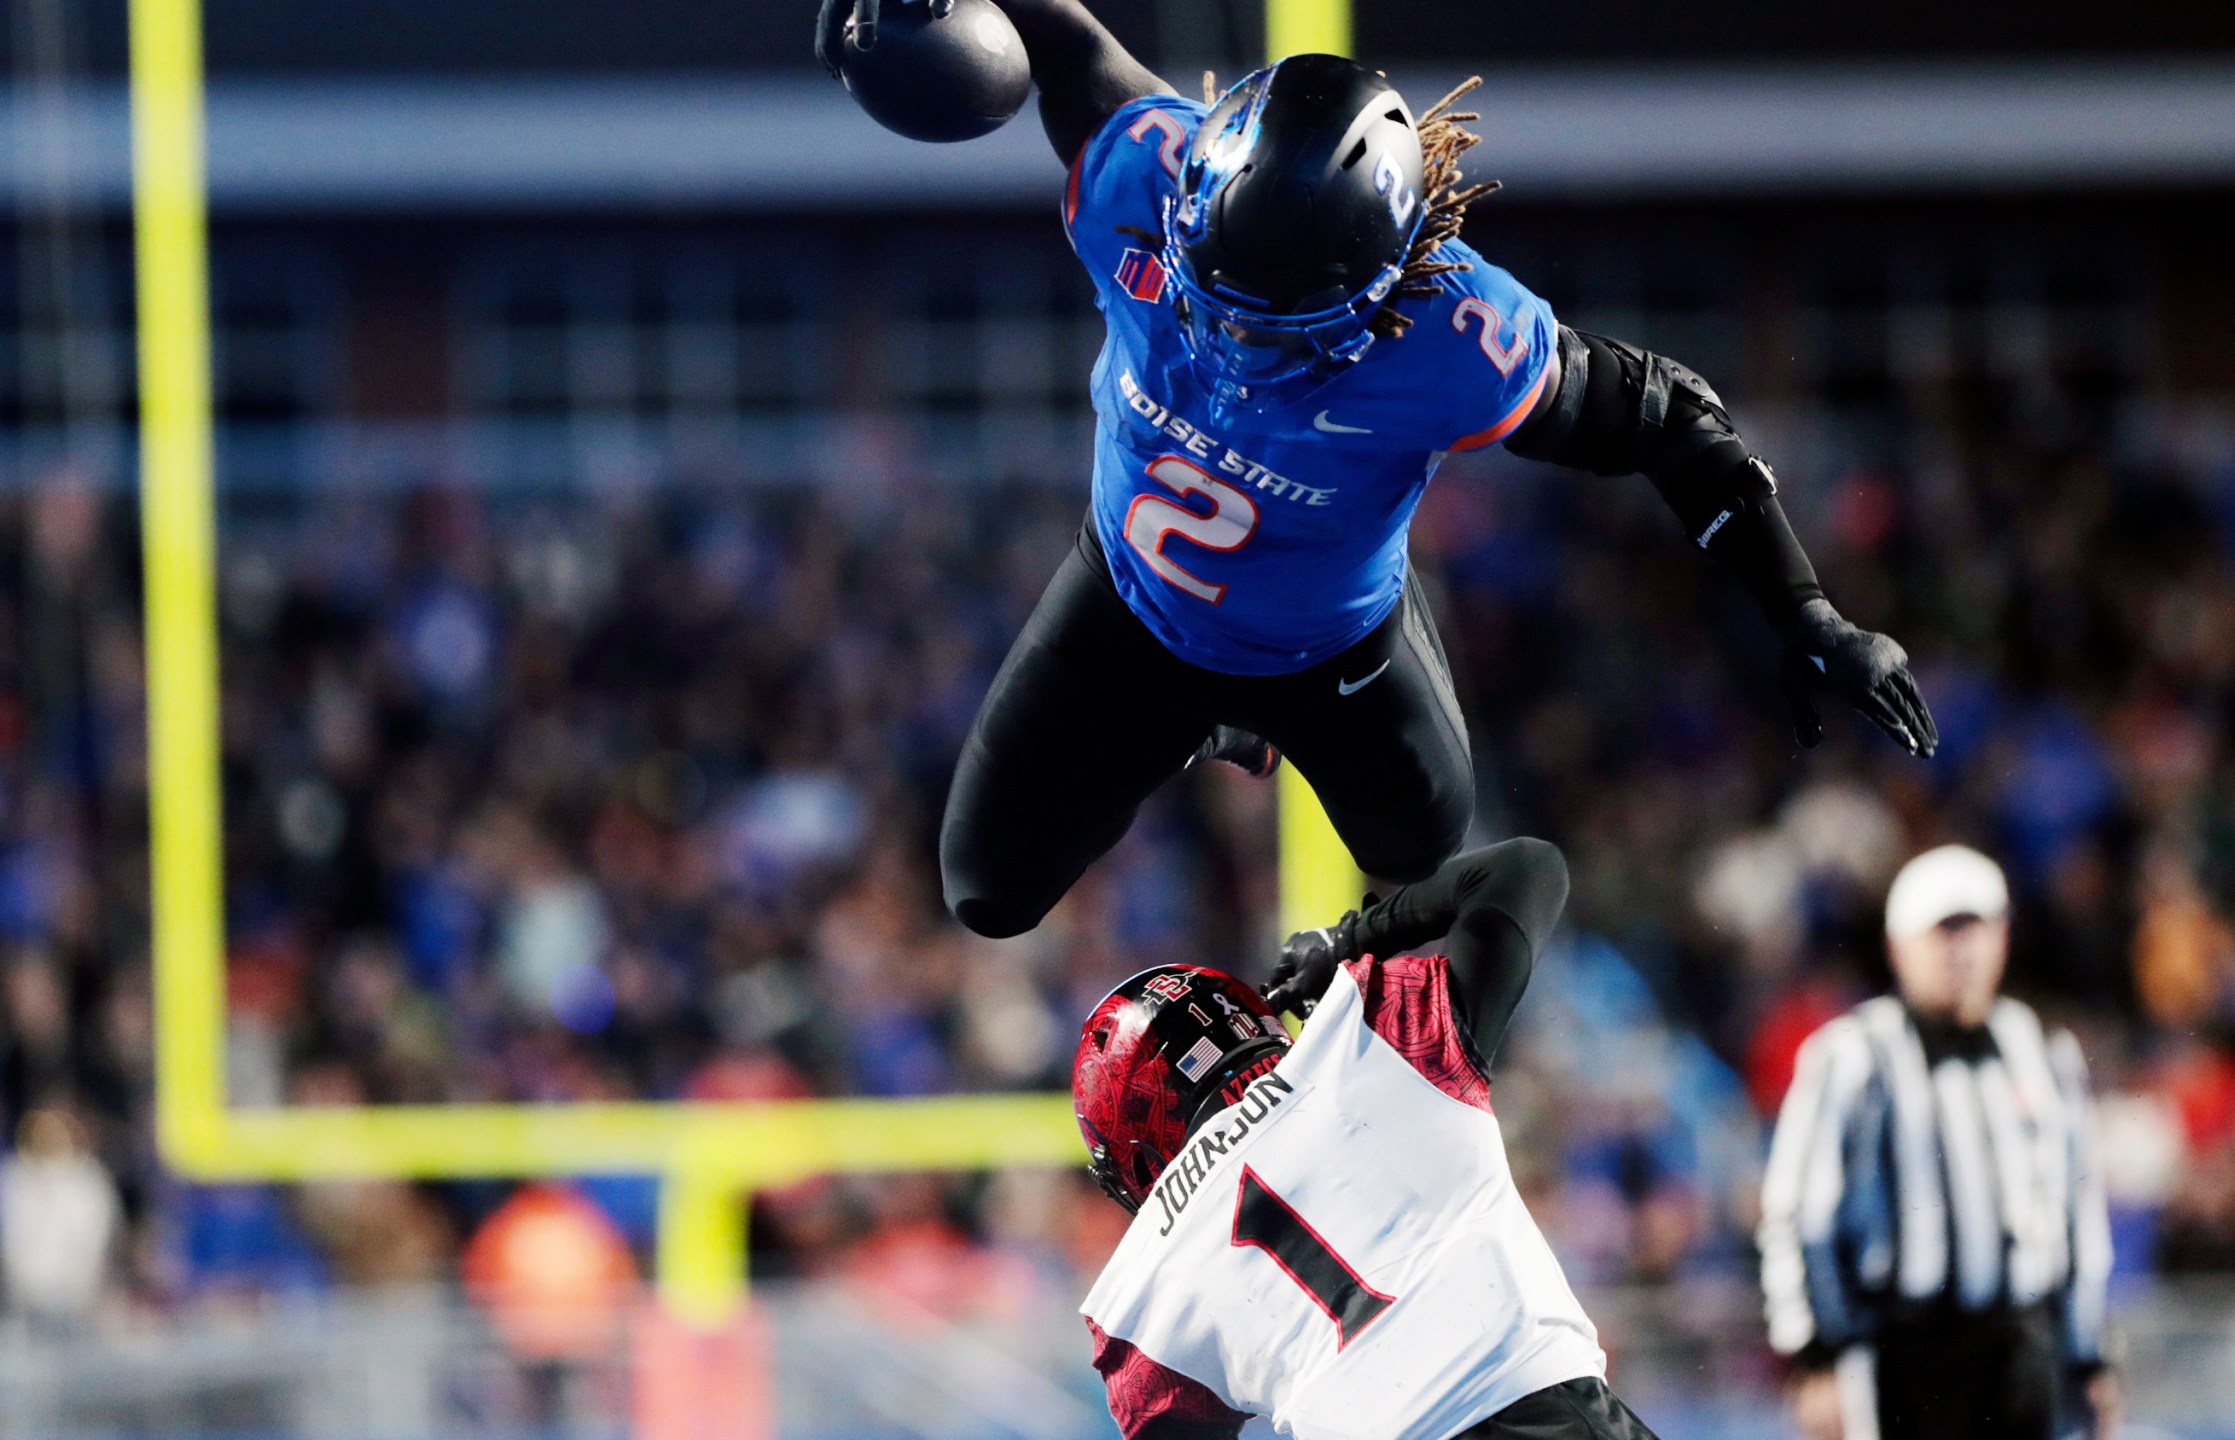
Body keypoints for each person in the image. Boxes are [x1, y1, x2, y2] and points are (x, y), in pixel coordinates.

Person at [814, 0, 1940, 940]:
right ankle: (1211, 719)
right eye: (1219, 297)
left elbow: (1673, 421)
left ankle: (1300, 688)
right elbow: (1062, 40)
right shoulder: (1144, 177)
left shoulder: (1451, 330)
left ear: (1385, 285)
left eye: (1280, 321)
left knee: (1420, 849)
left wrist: (1803, 609)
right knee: (986, 894)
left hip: (1328, 647)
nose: (1236, 342)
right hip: (1131, 605)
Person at [1065, 837, 1666, 1440]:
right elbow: (1528, 869)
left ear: (1134, 1148)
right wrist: (1351, 941)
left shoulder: (1137, 1296)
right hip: (1535, 1402)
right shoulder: (1368, 1042)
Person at [1758, 844, 2118, 1440]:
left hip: (2021, 1345)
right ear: (1900, 946)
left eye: (1975, 928)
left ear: (2002, 937)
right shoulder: (1855, 1054)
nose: (1961, 949)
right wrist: (1815, 1354)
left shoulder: (2043, 1049)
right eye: (1942, 931)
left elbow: (2078, 1210)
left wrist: (2089, 1353)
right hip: (1904, 1348)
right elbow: (1799, 1209)